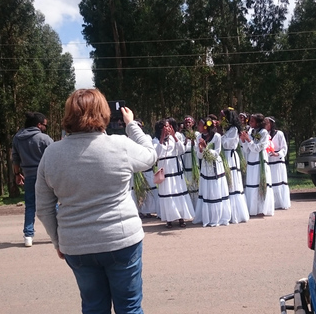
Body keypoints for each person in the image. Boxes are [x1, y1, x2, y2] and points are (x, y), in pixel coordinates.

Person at [35, 88, 157, 314]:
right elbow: (150, 155)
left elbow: (43, 206)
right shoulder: (120, 145)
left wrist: (57, 240)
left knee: (93, 308)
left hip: (77, 244)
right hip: (121, 240)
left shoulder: (52, 154)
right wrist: (132, 126)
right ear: (104, 112)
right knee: (129, 307)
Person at [12, 112, 53, 247]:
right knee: (52, 205)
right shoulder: (44, 138)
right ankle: (58, 232)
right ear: (38, 125)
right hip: (45, 176)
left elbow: (15, 159)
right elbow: (54, 157)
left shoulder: (17, 138)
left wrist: (17, 174)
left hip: (29, 175)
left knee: (30, 206)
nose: (45, 128)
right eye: (45, 125)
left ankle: (28, 236)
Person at [153, 119, 194, 228]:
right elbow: (157, 154)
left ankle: (181, 218)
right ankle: (169, 219)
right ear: (160, 129)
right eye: (165, 127)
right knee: (167, 193)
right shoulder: (155, 140)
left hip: (175, 169)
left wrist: (174, 136)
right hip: (165, 170)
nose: (168, 128)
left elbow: (182, 150)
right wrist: (162, 138)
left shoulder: (173, 138)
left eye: (169, 126)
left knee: (178, 192)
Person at [193, 117, 231, 227]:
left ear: (206, 126)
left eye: (200, 125)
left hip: (215, 166)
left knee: (215, 189)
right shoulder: (199, 137)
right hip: (205, 165)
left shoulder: (217, 136)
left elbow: (217, 152)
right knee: (207, 190)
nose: (198, 127)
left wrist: (206, 148)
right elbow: (199, 155)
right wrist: (200, 150)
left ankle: (218, 217)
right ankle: (207, 216)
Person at [240, 113, 275, 216]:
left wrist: (249, 140)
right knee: (252, 184)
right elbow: (247, 150)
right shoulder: (251, 131)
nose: (250, 123)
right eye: (250, 121)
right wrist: (243, 141)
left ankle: (261, 209)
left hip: (260, 162)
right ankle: (253, 209)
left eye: (252, 121)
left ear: (258, 123)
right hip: (251, 162)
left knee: (260, 183)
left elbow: (257, 148)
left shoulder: (264, 133)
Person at [219, 108, 249, 224]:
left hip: (230, 156)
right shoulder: (228, 129)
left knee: (233, 183)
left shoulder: (234, 129)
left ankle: (235, 214)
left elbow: (228, 143)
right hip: (225, 155)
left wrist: (220, 136)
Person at [266, 116, 291, 209]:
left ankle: (281, 202)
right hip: (269, 160)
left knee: (279, 180)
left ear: (272, 124)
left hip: (278, 161)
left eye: (267, 123)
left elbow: (284, 147)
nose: (266, 125)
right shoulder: (264, 135)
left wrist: (278, 154)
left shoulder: (279, 133)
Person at [181, 115, 200, 206]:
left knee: (195, 178)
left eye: (189, 122)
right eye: (186, 123)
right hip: (186, 158)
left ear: (192, 123)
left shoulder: (196, 134)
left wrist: (193, 143)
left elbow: (198, 147)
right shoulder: (181, 135)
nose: (187, 124)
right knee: (188, 178)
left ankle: (196, 203)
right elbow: (181, 148)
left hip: (194, 158)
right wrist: (185, 141)